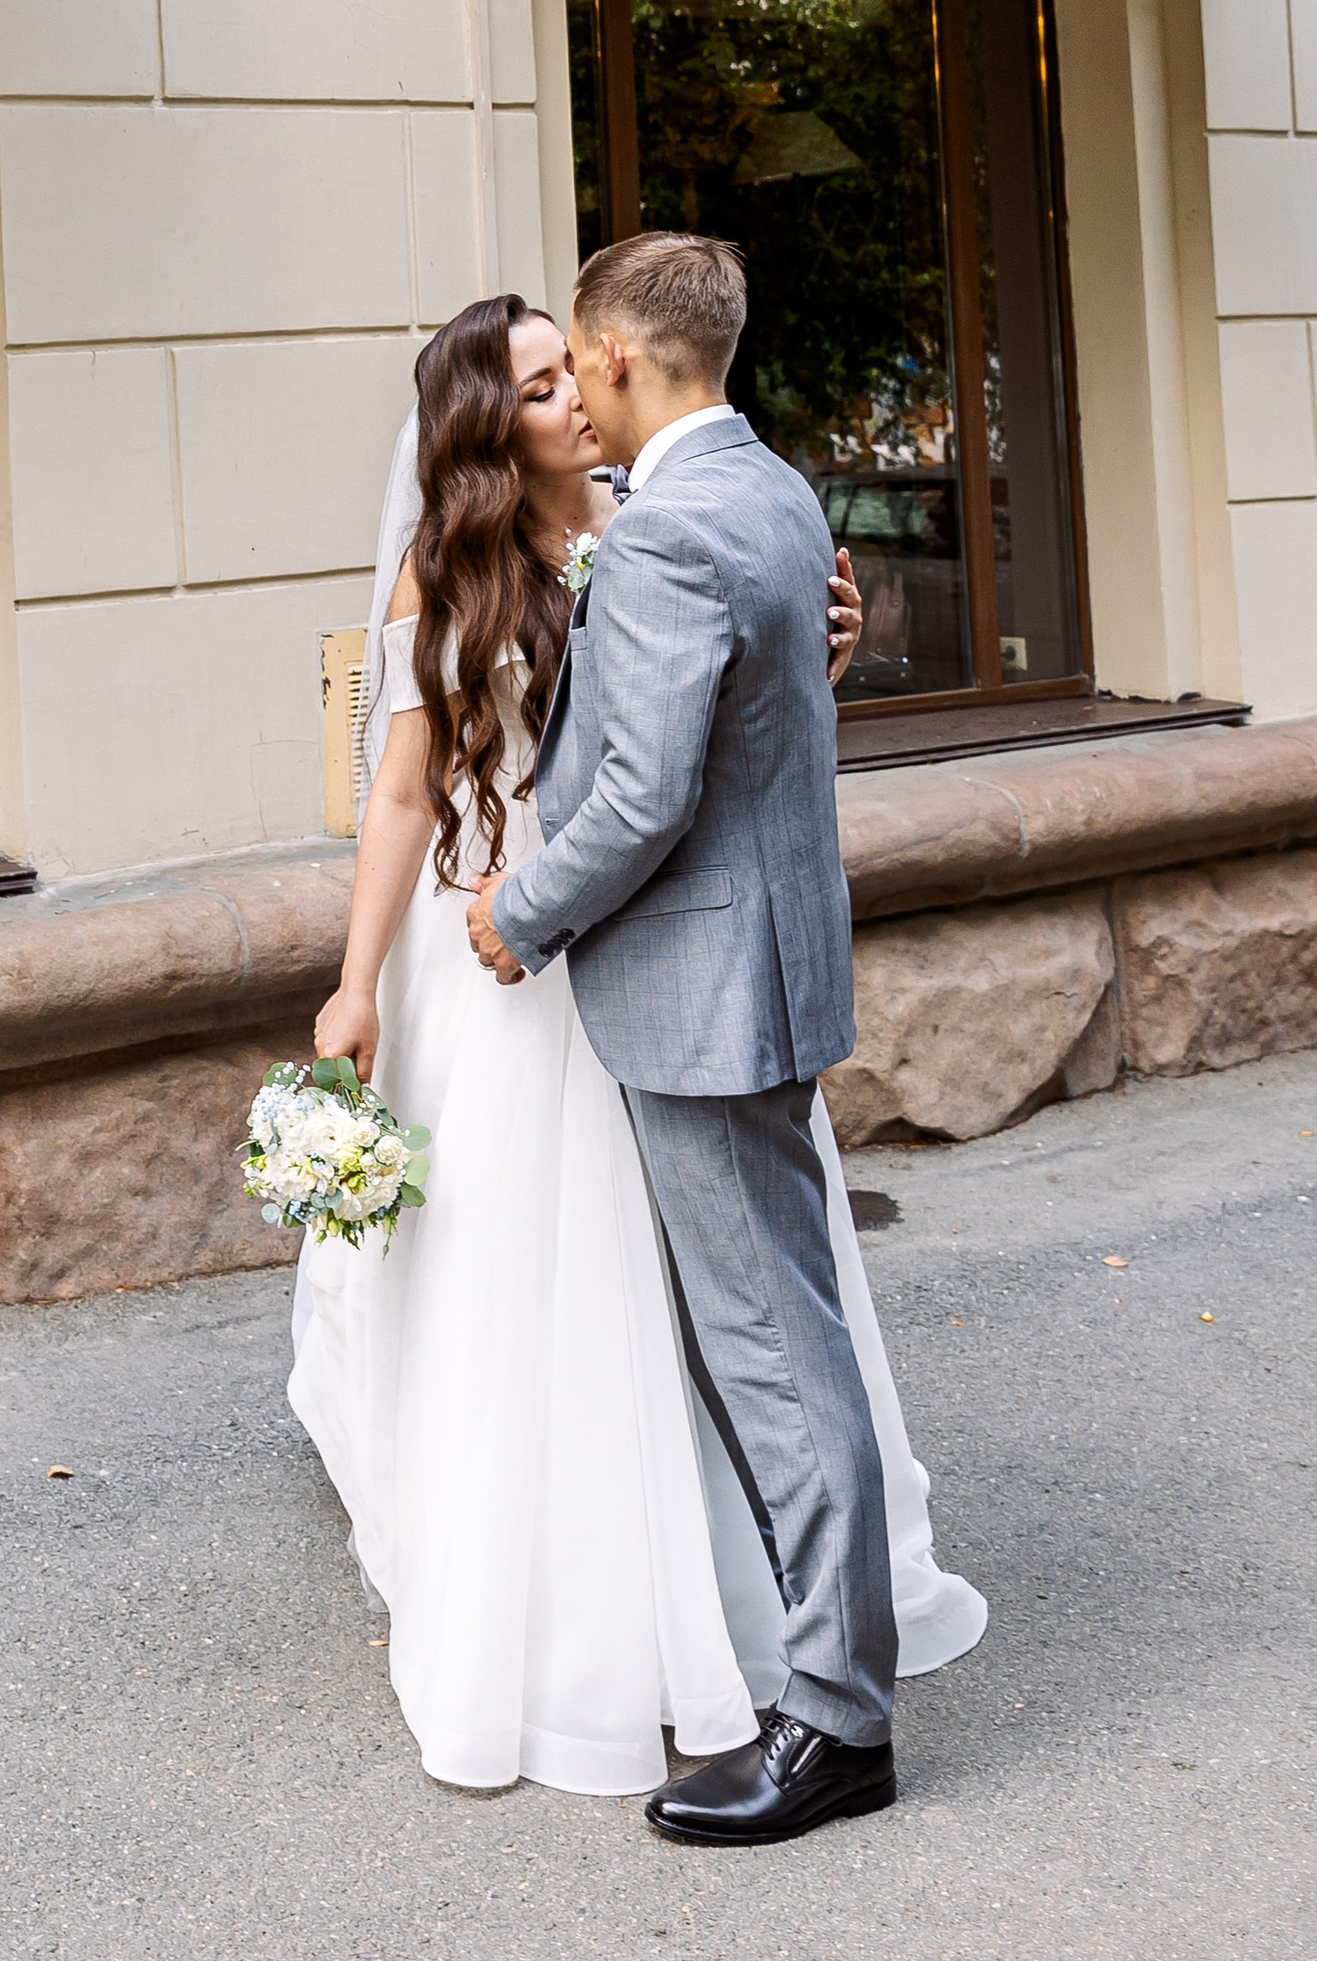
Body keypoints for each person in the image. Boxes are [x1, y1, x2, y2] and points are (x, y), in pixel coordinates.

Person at [292, 284, 981, 1807]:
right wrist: (361, 983)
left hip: (618, 925)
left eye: (571, 372)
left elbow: (704, 731)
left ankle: (773, 1634)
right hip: (516, 937)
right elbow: (405, 795)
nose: (571, 404)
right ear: (492, 427)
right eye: (537, 389)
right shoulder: (454, 571)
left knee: (735, 1312)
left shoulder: (671, 509)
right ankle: (589, 1605)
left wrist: (821, 647)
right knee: (553, 1295)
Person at [468, 233, 929, 1847]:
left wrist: (522, 913)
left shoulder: (661, 538)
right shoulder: (782, 494)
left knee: (772, 1356)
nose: (574, 388)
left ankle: (834, 1724)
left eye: (578, 359)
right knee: (782, 1337)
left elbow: (645, 795)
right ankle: (830, 1677)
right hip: (770, 964)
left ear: (614, 355)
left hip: (702, 989)